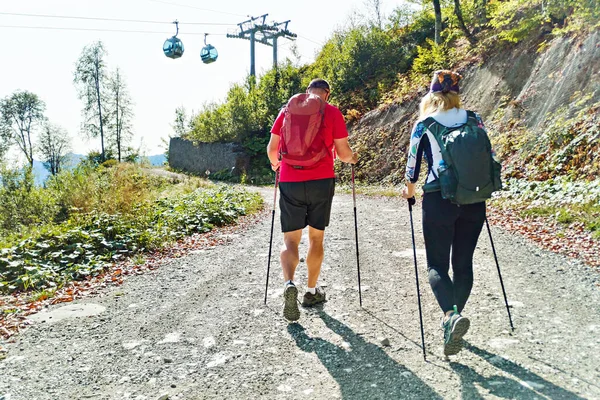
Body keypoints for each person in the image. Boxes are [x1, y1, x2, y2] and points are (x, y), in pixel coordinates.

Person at [401, 70, 488, 356]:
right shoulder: (474, 119)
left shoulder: (424, 123)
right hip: (474, 198)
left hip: (439, 198)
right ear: (457, 92)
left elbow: (413, 166)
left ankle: (451, 317)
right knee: (463, 264)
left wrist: (410, 191)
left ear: (431, 94)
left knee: (436, 265)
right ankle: (454, 317)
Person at [267, 78, 358, 322]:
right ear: (327, 94)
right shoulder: (332, 112)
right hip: (321, 180)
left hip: (289, 180)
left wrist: (277, 164)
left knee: (290, 240)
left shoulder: (287, 110)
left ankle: (288, 284)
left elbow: (272, 149)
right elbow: (343, 152)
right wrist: (353, 159)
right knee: (316, 237)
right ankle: (311, 291)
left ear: (307, 92)